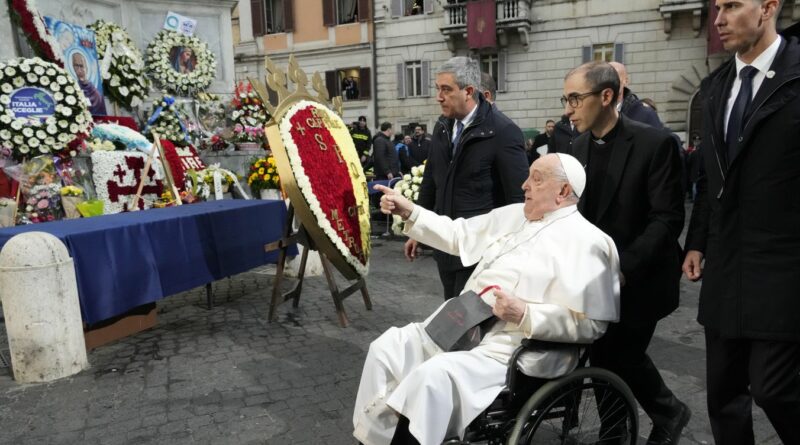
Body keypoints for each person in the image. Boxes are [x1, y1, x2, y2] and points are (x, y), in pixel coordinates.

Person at [354, 153, 621, 445]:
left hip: (510, 348)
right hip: (460, 325)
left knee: (432, 378)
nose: (524, 185)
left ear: (564, 192)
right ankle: (374, 440)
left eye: (536, 178)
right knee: (386, 348)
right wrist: (412, 213)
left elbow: (593, 324)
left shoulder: (591, 243)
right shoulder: (515, 213)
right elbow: (459, 234)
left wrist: (525, 314)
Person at [683, 1, 800, 443]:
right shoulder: (715, 88)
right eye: (717, 7)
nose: (718, 18)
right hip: (727, 266)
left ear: (768, 7)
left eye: (732, 5)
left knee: (774, 387)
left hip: (783, 267)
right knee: (723, 395)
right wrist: (697, 242)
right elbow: (713, 178)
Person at [563, 61, 690, 445]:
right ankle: (615, 431)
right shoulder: (577, 146)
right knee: (601, 354)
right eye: (565, 99)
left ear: (605, 96)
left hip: (641, 276)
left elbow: (666, 219)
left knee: (624, 354)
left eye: (574, 98)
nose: (568, 109)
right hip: (594, 277)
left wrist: (623, 267)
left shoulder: (656, 143)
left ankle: (669, 411)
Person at [410, 56, 529, 300]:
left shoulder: (503, 131)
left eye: (446, 89)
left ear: (469, 91)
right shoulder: (442, 126)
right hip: (445, 247)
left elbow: (518, 200)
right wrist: (418, 230)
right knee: (450, 317)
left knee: (472, 328)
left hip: (480, 254)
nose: (438, 97)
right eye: (437, 89)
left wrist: (509, 254)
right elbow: (431, 180)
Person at [609, 61, 663, 128]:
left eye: (615, 78)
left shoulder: (645, 114)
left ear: (626, 81)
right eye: (605, 78)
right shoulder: (594, 113)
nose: (609, 83)